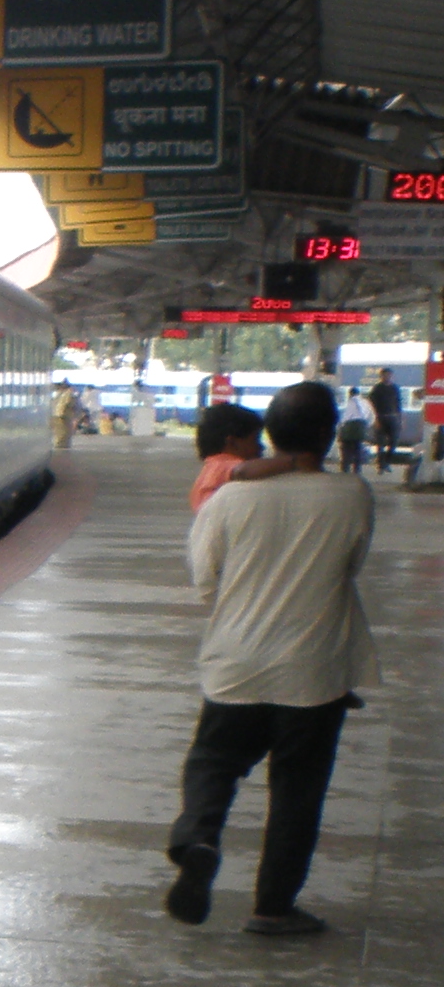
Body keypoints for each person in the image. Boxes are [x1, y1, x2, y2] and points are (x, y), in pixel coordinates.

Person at [165, 381, 378, 937]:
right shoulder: (353, 494)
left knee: (213, 762)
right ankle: (272, 907)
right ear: (331, 435)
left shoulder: (229, 499)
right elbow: (349, 566)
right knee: (297, 790)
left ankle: (200, 840)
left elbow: (204, 579)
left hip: (236, 660)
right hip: (313, 669)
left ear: (270, 433)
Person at [188, 400, 265, 508]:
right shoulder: (222, 464)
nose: (261, 447)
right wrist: (290, 462)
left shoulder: (212, 466)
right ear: (232, 443)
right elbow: (243, 471)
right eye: (255, 440)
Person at [367, 369, 403, 476]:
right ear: (381, 376)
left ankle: (387, 462)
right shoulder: (377, 388)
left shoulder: (395, 388)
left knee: (394, 441)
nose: (387, 377)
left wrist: (400, 419)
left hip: (393, 418)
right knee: (380, 443)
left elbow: (398, 404)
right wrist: (376, 419)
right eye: (385, 375)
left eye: (389, 375)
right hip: (380, 418)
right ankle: (381, 465)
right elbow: (372, 405)